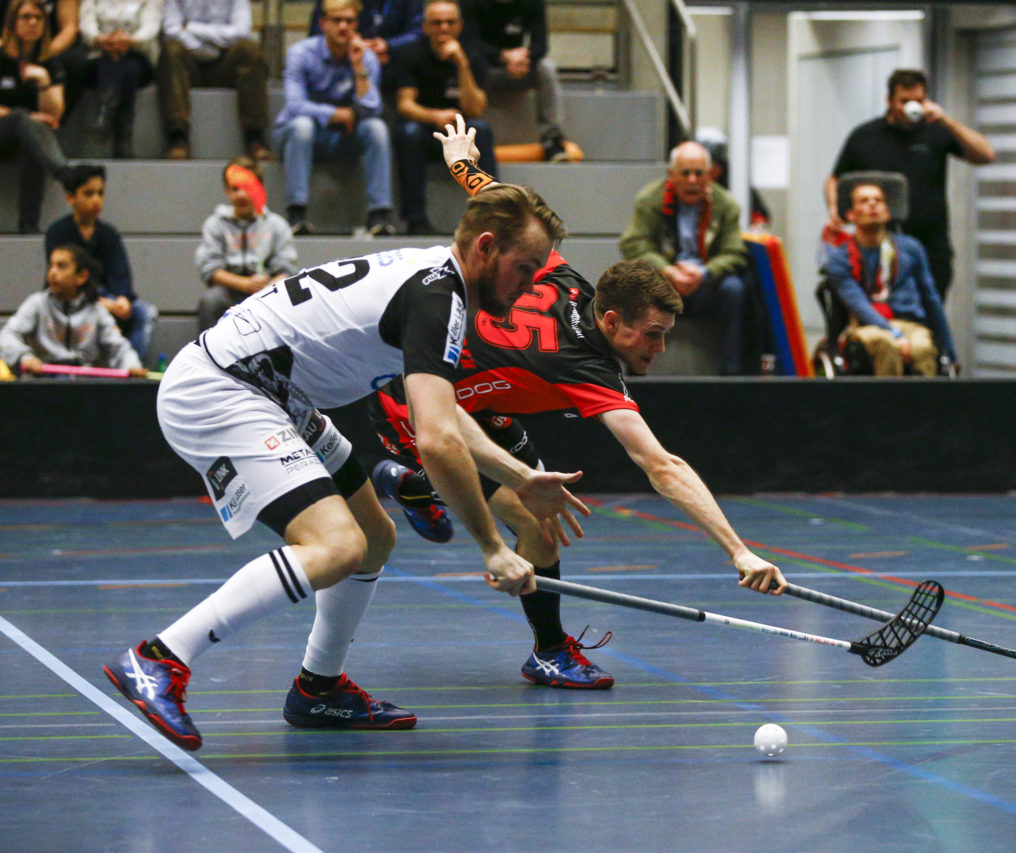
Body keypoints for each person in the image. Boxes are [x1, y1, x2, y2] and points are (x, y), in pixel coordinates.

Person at [102, 175, 590, 752]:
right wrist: (491, 546)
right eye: (525, 267)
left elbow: (442, 415)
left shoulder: (439, 281)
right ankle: (159, 659)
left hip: (277, 393)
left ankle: (319, 688)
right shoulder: (440, 299)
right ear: (485, 247)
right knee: (336, 546)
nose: (532, 283)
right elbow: (435, 443)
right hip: (225, 387)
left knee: (373, 536)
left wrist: (521, 476)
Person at [368, 116, 787, 689]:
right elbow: (662, 466)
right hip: (418, 403)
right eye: (652, 335)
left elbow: (500, 206)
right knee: (539, 518)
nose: (659, 350)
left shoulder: (559, 273)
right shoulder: (588, 369)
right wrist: (739, 551)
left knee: (544, 513)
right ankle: (546, 649)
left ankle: (415, 486)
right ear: (611, 320)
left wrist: (462, 162)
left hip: (486, 413)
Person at [825, 69, 994, 302]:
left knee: (928, 316)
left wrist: (946, 120)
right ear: (890, 101)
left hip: (930, 247)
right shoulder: (866, 136)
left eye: (919, 101)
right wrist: (835, 207)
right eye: (905, 101)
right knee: (881, 317)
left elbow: (986, 155)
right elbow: (835, 179)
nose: (912, 107)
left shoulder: (936, 131)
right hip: (878, 246)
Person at [620, 140, 753, 375]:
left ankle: (734, 377)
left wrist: (704, 273)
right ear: (671, 175)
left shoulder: (726, 205)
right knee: (633, 289)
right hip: (662, 285)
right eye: (685, 173)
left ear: (711, 175)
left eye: (699, 173)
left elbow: (735, 253)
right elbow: (634, 245)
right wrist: (668, 271)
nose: (692, 180)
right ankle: (635, 376)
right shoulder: (649, 200)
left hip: (705, 284)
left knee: (735, 290)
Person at [271, 0, 395, 237]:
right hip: (299, 136)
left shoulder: (365, 56)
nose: (343, 26)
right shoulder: (300, 53)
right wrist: (337, 114)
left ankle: (379, 216)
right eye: (337, 20)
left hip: (345, 137)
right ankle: (296, 214)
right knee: (302, 126)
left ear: (357, 24)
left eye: (349, 21)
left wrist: (358, 65)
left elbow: (372, 107)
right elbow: (295, 106)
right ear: (323, 24)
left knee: (376, 128)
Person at [821, 180, 957, 377]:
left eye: (878, 200)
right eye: (864, 201)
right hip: (866, 325)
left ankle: (925, 405)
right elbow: (859, 305)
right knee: (886, 345)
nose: (872, 204)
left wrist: (949, 350)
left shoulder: (911, 248)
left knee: (922, 347)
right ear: (851, 215)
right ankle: (888, 405)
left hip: (910, 323)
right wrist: (894, 334)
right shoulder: (839, 259)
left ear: (888, 212)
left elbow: (931, 299)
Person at [390, 0, 495, 235]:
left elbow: (475, 107)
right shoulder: (411, 53)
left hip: (461, 133)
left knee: (482, 129)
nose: (444, 28)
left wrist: (461, 63)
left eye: (450, 22)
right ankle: (415, 219)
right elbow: (405, 104)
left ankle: (492, 212)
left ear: (460, 25)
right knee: (408, 133)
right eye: (437, 23)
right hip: (424, 131)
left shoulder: (472, 53)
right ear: (425, 27)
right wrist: (435, 115)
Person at [44, 164, 156, 360]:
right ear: (71, 197)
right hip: (70, 301)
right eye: (88, 194)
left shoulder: (109, 234)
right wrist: (99, 302)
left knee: (145, 313)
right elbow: (62, 281)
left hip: (109, 299)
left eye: (100, 193)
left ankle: (132, 369)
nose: (96, 200)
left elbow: (121, 275)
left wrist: (122, 299)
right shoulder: (57, 233)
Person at [0, 243, 147, 375]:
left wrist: (132, 366)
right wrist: (25, 357)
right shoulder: (36, 303)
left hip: (84, 386)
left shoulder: (96, 311)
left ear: (81, 276)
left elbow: (119, 347)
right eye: (51, 266)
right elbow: (6, 336)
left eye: (61, 266)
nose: (52, 272)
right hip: (43, 382)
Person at [155, 0, 270, 161]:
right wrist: (202, 48)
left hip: (225, 60)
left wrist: (192, 28)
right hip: (189, 60)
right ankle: (177, 138)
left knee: (251, 50)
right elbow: (171, 30)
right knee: (170, 50)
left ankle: (255, 137)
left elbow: (242, 32)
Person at [195, 156, 299, 332]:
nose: (241, 194)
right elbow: (210, 270)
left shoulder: (276, 224)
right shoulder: (215, 224)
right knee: (210, 301)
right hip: (229, 292)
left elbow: (286, 268)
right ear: (227, 191)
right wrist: (245, 284)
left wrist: (266, 289)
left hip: (268, 292)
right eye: (235, 189)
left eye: (247, 188)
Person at [461, 0, 568, 161]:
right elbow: (469, 43)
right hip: (482, 68)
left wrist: (525, 58)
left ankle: (552, 139)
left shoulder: (534, 3)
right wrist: (503, 55)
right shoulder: (472, 3)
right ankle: (467, 134)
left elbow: (541, 44)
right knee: (465, 64)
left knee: (546, 68)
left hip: (518, 66)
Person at [1, 0, 73, 233]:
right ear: (12, 23)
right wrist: (24, 116)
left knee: (34, 138)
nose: (32, 23)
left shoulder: (49, 62)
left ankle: (29, 224)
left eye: (38, 18)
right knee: (24, 120)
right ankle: (63, 171)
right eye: (25, 17)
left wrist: (43, 81)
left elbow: (54, 115)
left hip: (23, 137)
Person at [79, 0, 162, 158]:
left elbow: (151, 27)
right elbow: (86, 22)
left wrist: (130, 41)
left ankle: (107, 114)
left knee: (129, 67)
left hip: (139, 55)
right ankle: (123, 140)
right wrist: (100, 39)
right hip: (99, 54)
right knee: (121, 67)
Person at [305, 0, 421, 74]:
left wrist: (388, 45)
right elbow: (318, 33)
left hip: (395, 64)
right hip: (343, 65)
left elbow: (418, 33)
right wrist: (351, 45)